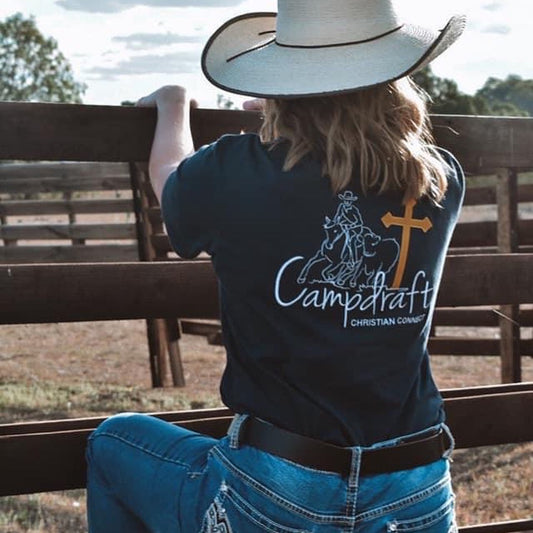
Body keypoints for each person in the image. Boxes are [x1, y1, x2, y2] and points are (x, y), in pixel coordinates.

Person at [86, 1, 467, 531]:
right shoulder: (437, 180)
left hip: (282, 487)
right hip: (416, 485)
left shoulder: (236, 171)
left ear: (283, 85)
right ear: (394, 75)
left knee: (113, 442)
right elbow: (341, 165)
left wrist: (173, 105)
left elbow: (171, 178)